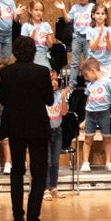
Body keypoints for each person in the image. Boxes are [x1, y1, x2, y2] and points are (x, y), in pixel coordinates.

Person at [0, 36, 54, 221]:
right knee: (39, 174)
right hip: (37, 126)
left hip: (15, 126)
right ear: (33, 52)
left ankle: (17, 216)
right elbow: (49, 100)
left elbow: (3, 100)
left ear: (14, 52)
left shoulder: (6, 72)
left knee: (17, 171)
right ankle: (32, 218)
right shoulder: (41, 72)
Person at [55, 0, 108, 83]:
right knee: (75, 62)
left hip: (89, 38)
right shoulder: (75, 8)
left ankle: (89, 82)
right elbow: (67, 20)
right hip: (77, 37)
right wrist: (63, 10)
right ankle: (72, 83)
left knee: (89, 61)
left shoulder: (92, 6)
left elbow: (99, 15)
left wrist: (104, 8)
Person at [79, 57, 111, 173]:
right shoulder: (90, 85)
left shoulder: (108, 81)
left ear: (93, 70)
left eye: (86, 75)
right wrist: (85, 119)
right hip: (91, 115)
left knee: (107, 138)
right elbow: (88, 101)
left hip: (104, 113)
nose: (86, 78)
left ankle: (108, 162)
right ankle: (85, 162)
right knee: (88, 138)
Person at [44, 68, 70, 201]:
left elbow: (63, 113)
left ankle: (54, 187)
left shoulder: (59, 96)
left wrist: (63, 98)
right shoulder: (40, 95)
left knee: (55, 161)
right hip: (45, 132)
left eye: (56, 80)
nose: (54, 82)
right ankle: (45, 188)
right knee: (46, 161)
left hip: (57, 131)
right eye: (51, 80)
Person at [19, 0, 53, 67]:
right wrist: (31, 37)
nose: (39, 12)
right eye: (36, 10)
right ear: (30, 11)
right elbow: (24, 46)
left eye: (41, 10)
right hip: (31, 55)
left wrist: (47, 37)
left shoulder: (46, 25)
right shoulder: (26, 26)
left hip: (44, 54)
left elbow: (50, 45)